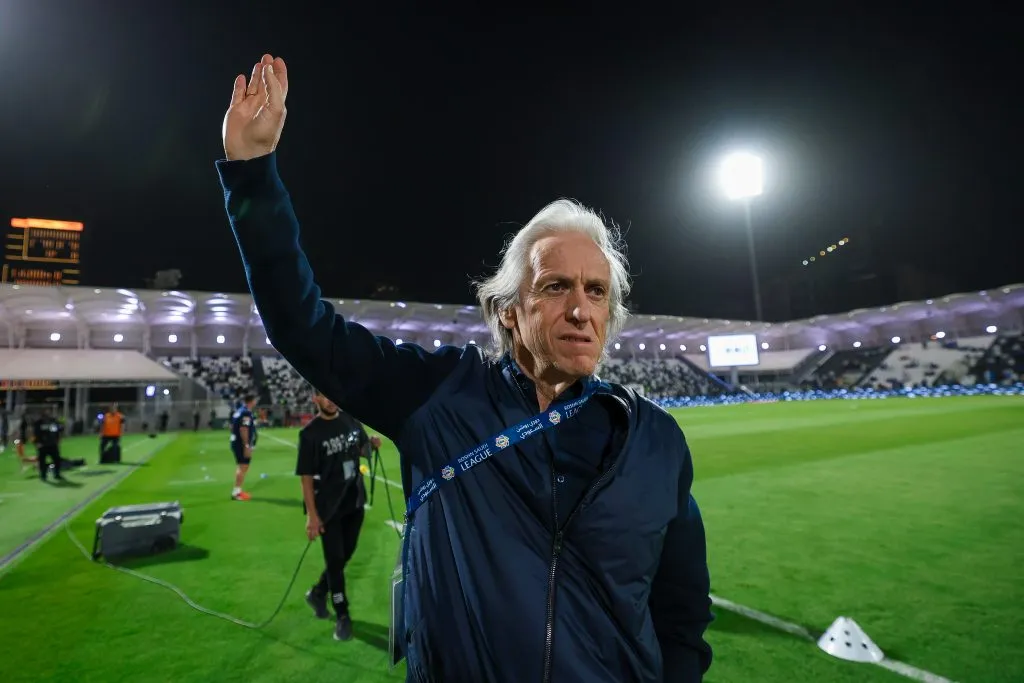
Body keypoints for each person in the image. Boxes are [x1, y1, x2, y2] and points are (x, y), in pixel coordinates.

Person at [218, 54, 712, 682]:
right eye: (557, 286)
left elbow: (681, 613)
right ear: (509, 313)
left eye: (597, 293)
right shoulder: (439, 396)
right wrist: (253, 176)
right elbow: (306, 330)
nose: (582, 310)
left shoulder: (656, 441)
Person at [296, 388, 382, 641]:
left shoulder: (349, 419)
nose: (331, 400)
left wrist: (372, 445)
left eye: (333, 395)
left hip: (354, 502)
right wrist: (312, 517)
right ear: (316, 399)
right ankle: (342, 614)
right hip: (328, 510)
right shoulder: (310, 434)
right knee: (335, 563)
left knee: (345, 555)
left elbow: (361, 448)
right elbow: (306, 480)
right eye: (324, 395)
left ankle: (318, 592)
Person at [229, 395, 258, 501]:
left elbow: (232, 426)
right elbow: (243, 429)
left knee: (243, 466)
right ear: (251, 401)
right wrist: (246, 445)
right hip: (241, 444)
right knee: (243, 466)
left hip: (236, 442)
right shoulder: (246, 413)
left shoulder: (239, 411)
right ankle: (236, 492)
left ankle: (238, 490)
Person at [33, 409, 64, 483]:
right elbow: (36, 433)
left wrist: (58, 439)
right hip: (42, 445)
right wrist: (37, 442)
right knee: (42, 461)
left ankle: (57, 473)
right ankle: (43, 475)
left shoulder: (53, 421)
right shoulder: (38, 423)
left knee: (57, 460)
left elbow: (58, 430)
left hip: (52, 444)